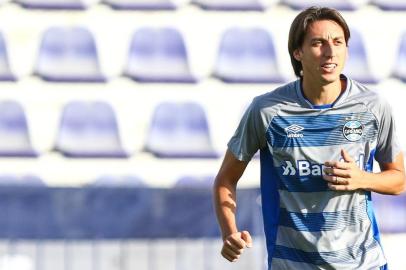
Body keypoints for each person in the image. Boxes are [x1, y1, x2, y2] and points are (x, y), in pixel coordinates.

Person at [213, 6, 406, 270]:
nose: (330, 51)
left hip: (364, 264)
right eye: (318, 43)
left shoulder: (373, 107)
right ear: (298, 52)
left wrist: (362, 178)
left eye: (338, 42)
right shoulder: (267, 110)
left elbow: (398, 179)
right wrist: (229, 231)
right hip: (292, 265)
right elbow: (226, 178)